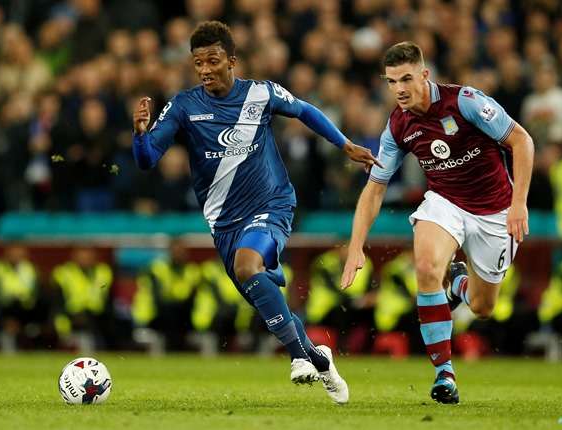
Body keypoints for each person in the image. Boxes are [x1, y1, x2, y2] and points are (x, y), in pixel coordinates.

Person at [132, 21, 380, 404]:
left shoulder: (261, 94)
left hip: (272, 204)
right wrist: (140, 134)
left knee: (249, 267)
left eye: (212, 61)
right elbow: (148, 160)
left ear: (232, 61)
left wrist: (344, 143)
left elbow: (305, 110)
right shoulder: (184, 105)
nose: (205, 70)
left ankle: (298, 356)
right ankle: (319, 358)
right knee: (269, 305)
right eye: (198, 63)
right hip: (224, 223)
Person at [341, 41, 534, 404]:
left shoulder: (466, 102)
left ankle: (460, 284)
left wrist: (519, 203)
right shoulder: (398, 125)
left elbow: (522, 142)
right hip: (445, 203)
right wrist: (355, 247)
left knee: (482, 307)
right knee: (426, 267)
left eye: (406, 78)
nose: (399, 88)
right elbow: (374, 190)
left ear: (425, 75)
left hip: (495, 210)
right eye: (391, 81)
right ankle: (444, 374)